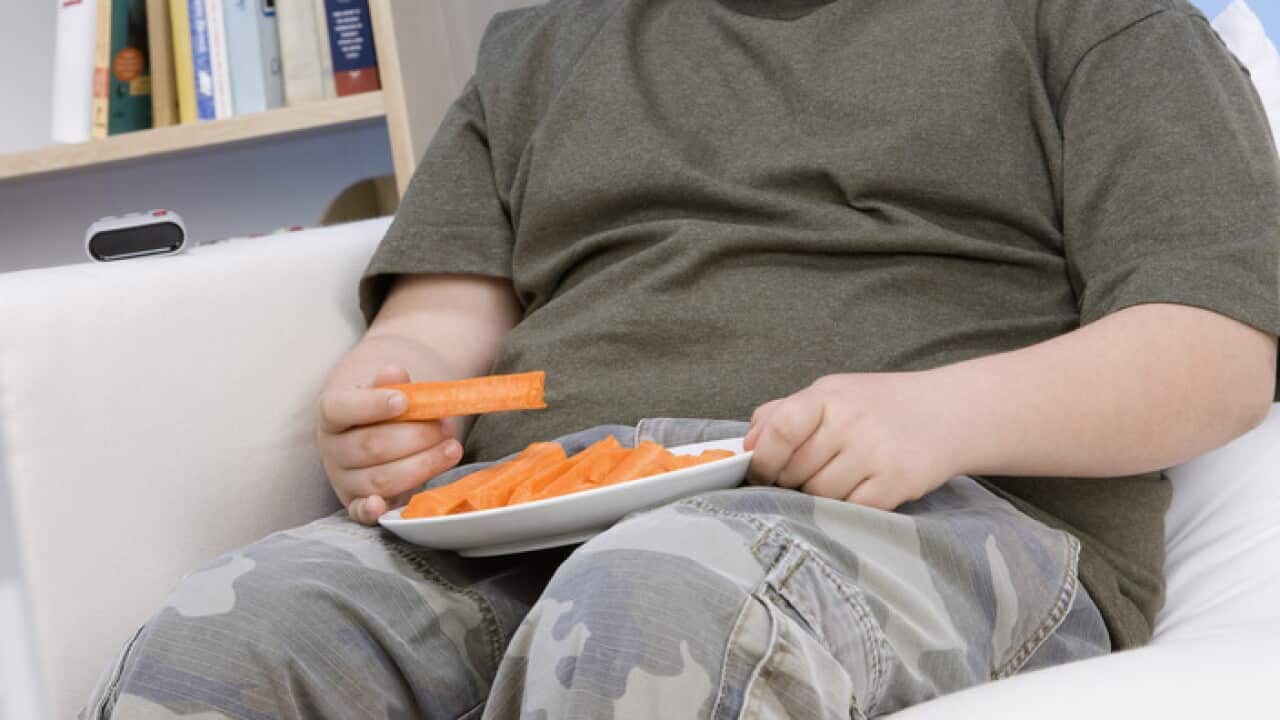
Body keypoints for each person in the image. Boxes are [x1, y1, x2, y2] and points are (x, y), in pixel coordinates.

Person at [86, 0, 1280, 718]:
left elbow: (1215, 347)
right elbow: (446, 313)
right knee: (226, 638)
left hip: (935, 515)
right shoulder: (544, 43)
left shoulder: (1097, 21)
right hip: (524, 514)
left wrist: (942, 416)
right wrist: (395, 386)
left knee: (653, 604)